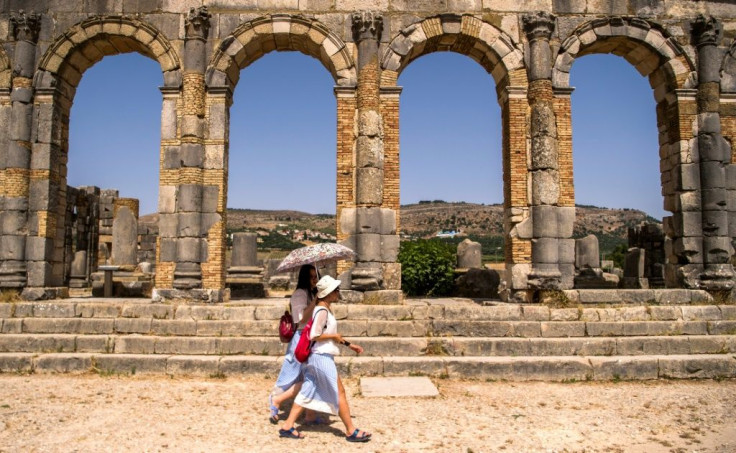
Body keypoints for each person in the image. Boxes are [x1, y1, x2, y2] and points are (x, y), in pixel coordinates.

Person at [278, 275, 372, 443]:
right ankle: (351, 430)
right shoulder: (321, 310)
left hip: (319, 356)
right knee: (340, 392)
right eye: (336, 290)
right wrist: (334, 336)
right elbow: (314, 335)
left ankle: (288, 426)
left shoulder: (324, 309)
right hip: (321, 357)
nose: (338, 292)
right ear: (328, 293)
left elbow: (329, 335)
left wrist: (350, 345)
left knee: (307, 390)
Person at [269, 264, 319, 424]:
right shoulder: (299, 294)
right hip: (301, 338)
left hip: (311, 338)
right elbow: (301, 319)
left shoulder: (312, 293)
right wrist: (317, 300)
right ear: (304, 278)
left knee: (311, 376)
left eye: (316, 276)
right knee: (297, 374)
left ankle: (310, 414)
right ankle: (277, 398)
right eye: (311, 277)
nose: (315, 280)